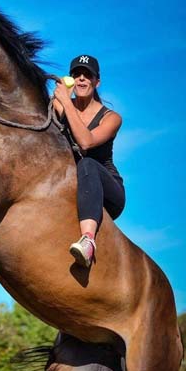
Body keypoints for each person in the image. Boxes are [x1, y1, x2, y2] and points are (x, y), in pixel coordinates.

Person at [53, 55, 125, 268]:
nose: (82, 79)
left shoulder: (111, 118)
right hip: (75, 184)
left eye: (87, 75)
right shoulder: (58, 106)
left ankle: (88, 241)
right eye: (76, 74)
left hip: (108, 190)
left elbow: (85, 142)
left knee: (87, 164)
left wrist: (66, 103)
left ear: (97, 82)